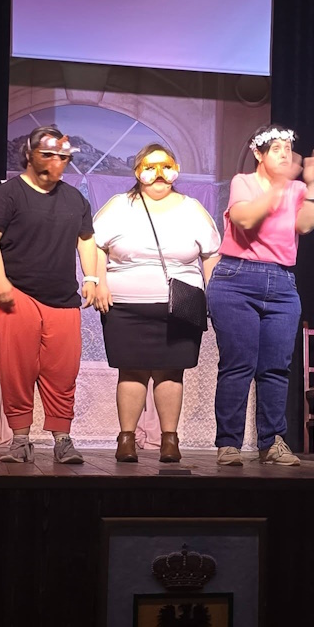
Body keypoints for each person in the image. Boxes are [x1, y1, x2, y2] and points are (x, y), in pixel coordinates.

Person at [208, 124, 314, 466]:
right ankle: (228, 443)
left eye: (288, 148)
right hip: (237, 278)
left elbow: (305, 225)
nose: (285, 154)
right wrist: (278, 186)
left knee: (276, 367)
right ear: (258, 153)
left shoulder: (296, 188)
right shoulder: (243, 182)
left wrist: (312, 182)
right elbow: (245, 219)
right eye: (276, 148)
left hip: (282, 282)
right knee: (238, 364)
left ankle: (272, 442)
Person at [92, 144, 221, 463]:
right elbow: (95, 245)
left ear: (176, 170)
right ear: (138, 172)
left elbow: (211, 253)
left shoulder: (191, 208)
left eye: (166, 167)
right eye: (150, 168)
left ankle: (169, 440)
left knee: (172, 372)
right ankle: (126, 439)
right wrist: (99, 281)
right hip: (125, 305)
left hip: (180, 304)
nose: (159, 175)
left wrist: (212, 294)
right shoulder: (120, 205)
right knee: (130, 371)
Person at [0, 126, 97, 464]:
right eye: (47, 155)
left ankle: (63, 440)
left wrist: (91, 277)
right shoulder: (7, 195)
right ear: (29, 155)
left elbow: (86, 238)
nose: (55, 162)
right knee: (16, 368)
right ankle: (19, 440)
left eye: (62, 157)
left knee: (63, 371)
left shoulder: (74, 198)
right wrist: (0, 281)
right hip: (15, 292)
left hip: (61, 297)